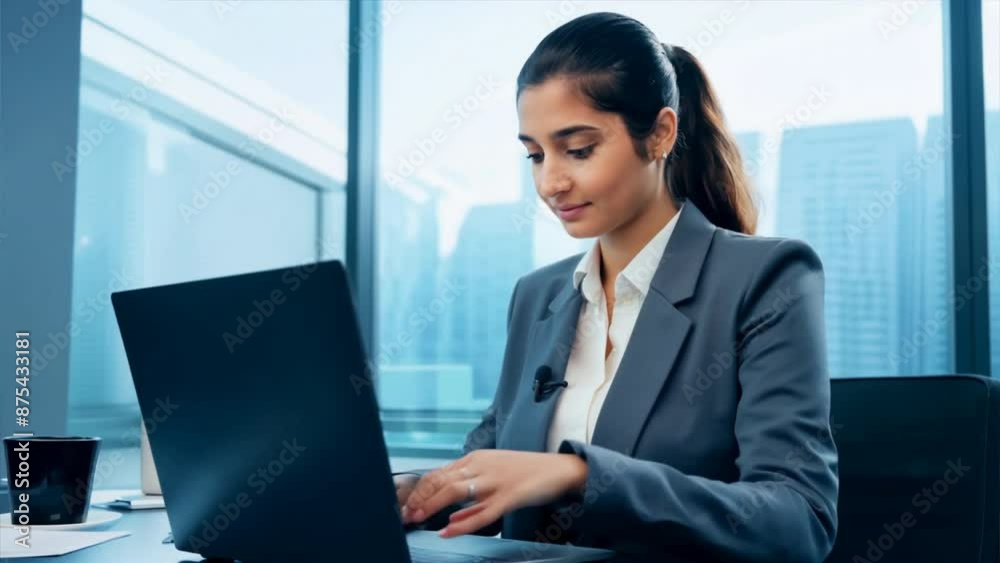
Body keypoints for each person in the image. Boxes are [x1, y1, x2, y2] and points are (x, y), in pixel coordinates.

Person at [394, 11, 838, 563]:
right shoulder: (536, 296)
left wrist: (579, 474)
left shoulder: (766, 277)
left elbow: (799, 520)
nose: (550, 183)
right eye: (535, 155)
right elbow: (487, 472)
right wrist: (417, 493)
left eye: (579, 149)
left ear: (661, 134)